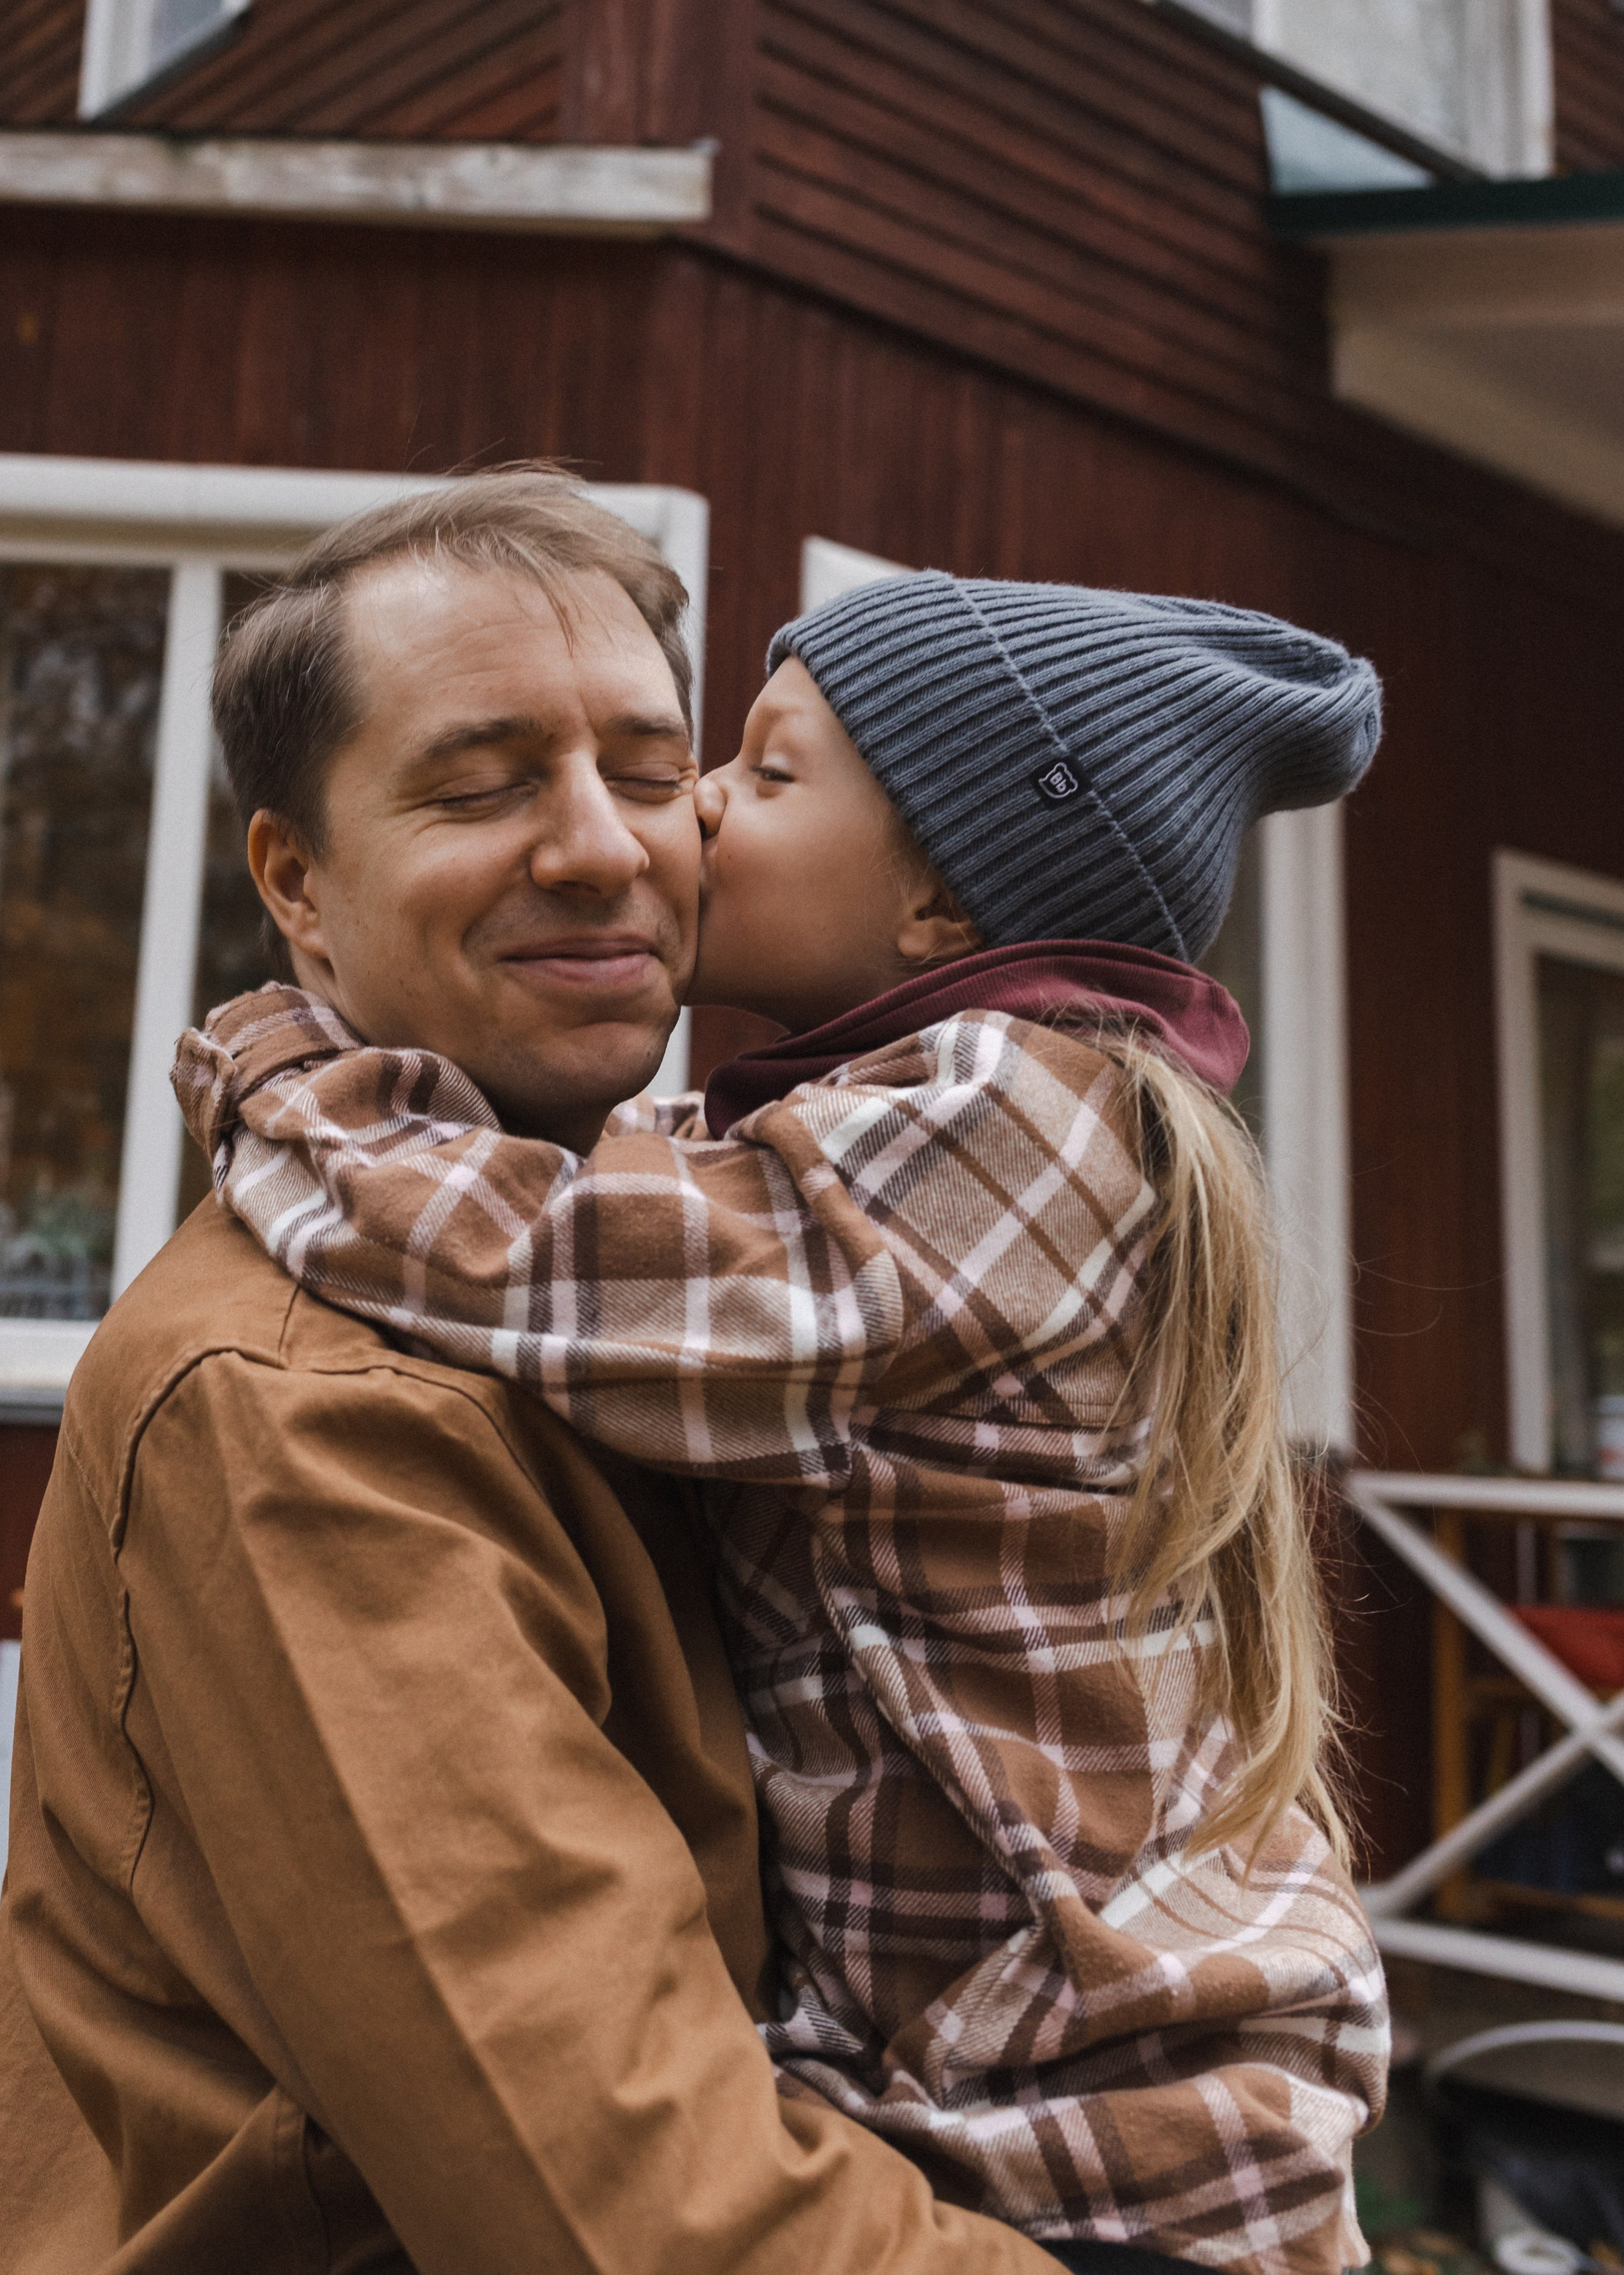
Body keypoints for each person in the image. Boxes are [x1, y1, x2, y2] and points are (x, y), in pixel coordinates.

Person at [177, 565, 1393, 2275]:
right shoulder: (889, 1117)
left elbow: (543, 1264)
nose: (690, 815)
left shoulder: (1002, 1115)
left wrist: (280, 1077)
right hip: (992, 2090)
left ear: (940, 911)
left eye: (758, 771)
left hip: (1104, 2130)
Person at [0, 477, 1059, 2275]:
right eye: (480, 786)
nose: (602, 846)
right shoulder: (303, 1406)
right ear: (295, 880)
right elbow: (628, 2215)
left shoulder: (683, 1288)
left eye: (645, 766)